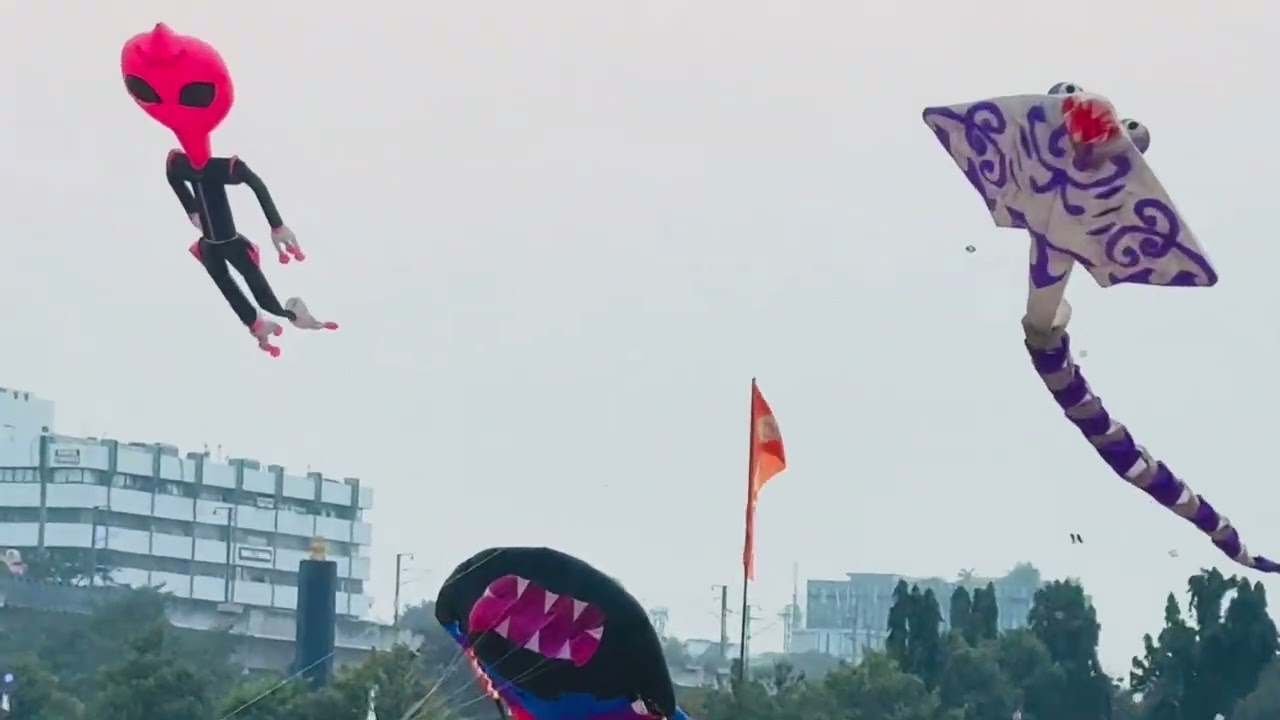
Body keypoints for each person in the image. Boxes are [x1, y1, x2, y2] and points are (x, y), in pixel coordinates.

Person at [121, 23, 336, 356]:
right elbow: (173, 176)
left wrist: (276, 226)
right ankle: (257, 325)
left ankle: (291, 315)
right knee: (230, 289)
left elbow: (252, 182)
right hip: (210, 244)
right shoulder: (182, 164)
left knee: (261, 294)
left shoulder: (221, 169)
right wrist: (191, 208)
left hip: (230, 243)